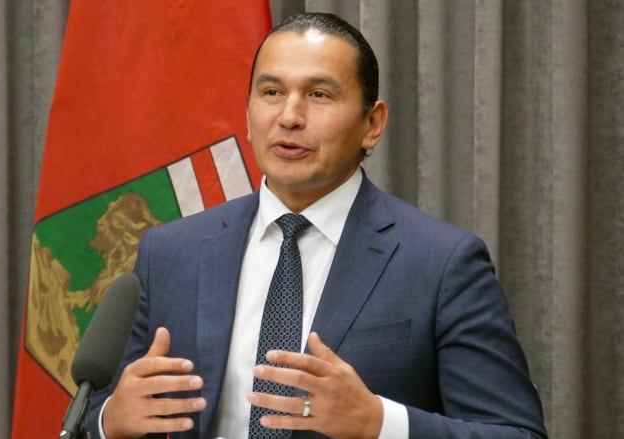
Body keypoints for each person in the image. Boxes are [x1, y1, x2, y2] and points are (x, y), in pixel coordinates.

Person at [84, 12, 547, 439]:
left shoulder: (442, 263)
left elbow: (515, 433)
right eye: (271, 93)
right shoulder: (172, 251)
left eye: (319, 95)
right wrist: (111, 421)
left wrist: (378, 423)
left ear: (373, 124)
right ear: (247, 115)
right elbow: (92, 413)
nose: (289, 117)